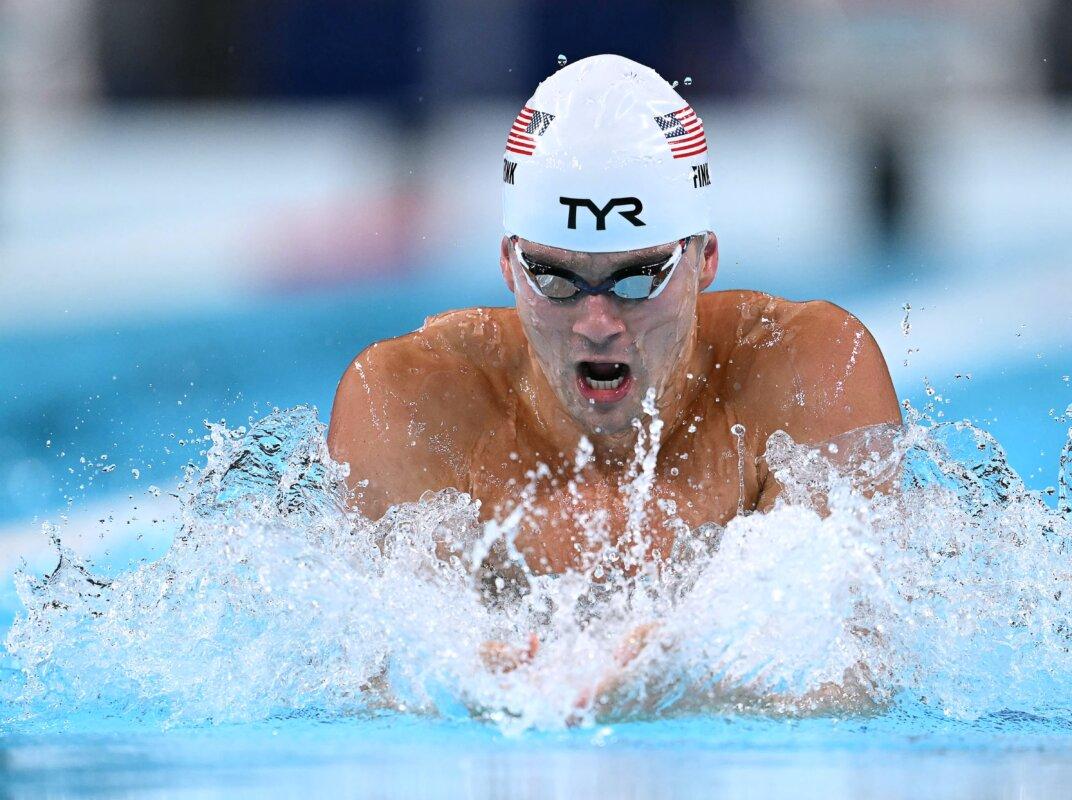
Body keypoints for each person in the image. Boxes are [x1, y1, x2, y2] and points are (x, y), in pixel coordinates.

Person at [328, 54, 900, 580]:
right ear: (507, 264)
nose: (597, 323)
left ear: (705, 260)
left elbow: (845, 677)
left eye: (637, 279)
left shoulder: (808, 374)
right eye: (554, 279)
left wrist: (660, 672)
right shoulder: (408, 405)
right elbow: (385, 681)